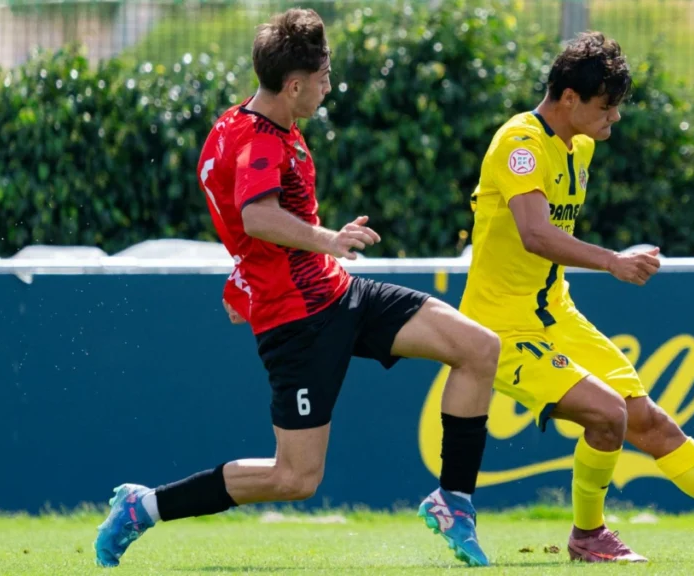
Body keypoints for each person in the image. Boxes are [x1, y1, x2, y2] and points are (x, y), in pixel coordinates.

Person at [93, 8, 499, 568]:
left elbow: (240, 225)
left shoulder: (238, 125)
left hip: (339, 293)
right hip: (297, 322)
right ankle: (145, 506)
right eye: (324, 77)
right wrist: (327, 239)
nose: (329, 86)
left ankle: (454, 501)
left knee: (479, 348)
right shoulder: (259, 139)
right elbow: (255, 217)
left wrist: (248, 276)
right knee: (295, 478)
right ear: (293, 85)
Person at [458, 31, 694, 563]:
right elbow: (535, 234)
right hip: (502, 327)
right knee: (607, 414)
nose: (614, 117)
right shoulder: (519, 143)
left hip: (556, 315)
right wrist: (613, 261)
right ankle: (588, 536)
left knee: (648, 422)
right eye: (606, 106)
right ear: (568, 97)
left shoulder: (579, 146)